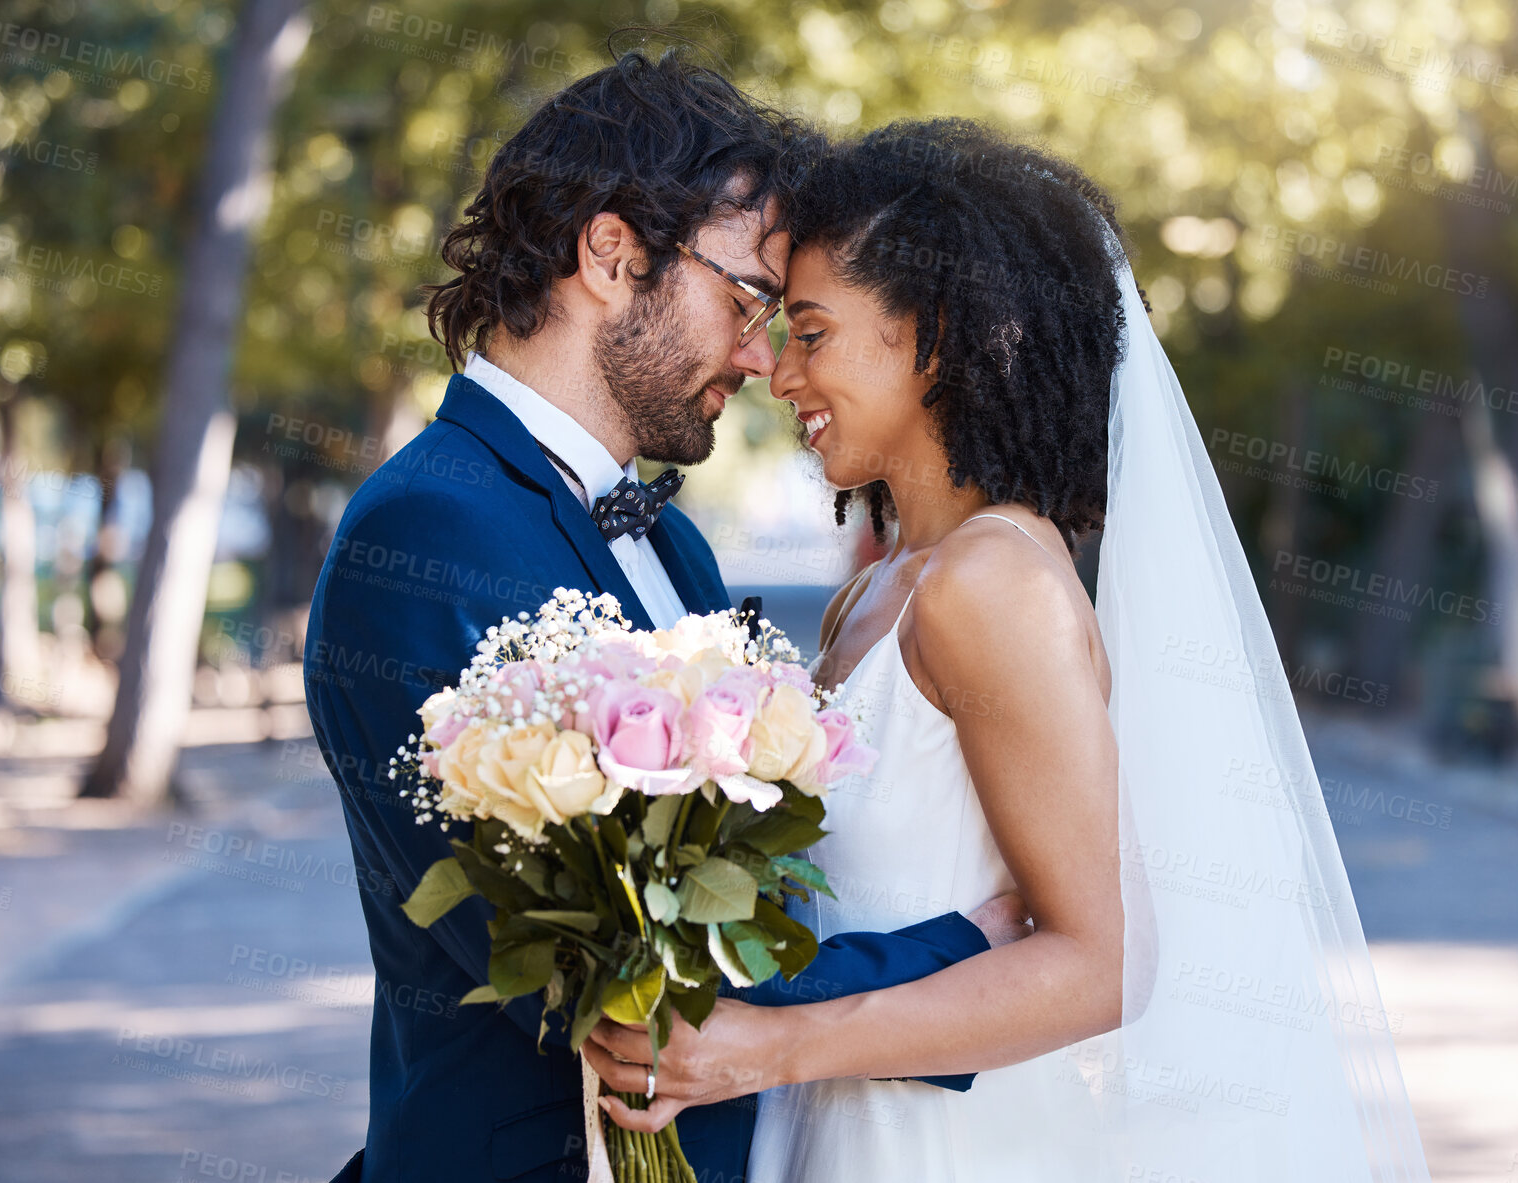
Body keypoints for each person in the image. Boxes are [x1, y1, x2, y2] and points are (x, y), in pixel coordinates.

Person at [584, 120, 1434, 1181]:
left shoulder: (991, 585)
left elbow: (1102, 963)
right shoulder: (875, 592)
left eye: (811, 332)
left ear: (935, 333)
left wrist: (771, 1047)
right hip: (826, 1128)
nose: (779, 372)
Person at [303, 64, 1019, 1183]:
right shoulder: (425, 532)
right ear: (608, 254)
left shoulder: (674, 543)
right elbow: (611, 989)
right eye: (743, 302)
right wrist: (977, 949)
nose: (756, 356)